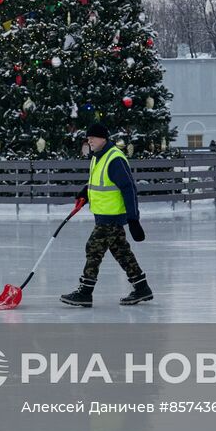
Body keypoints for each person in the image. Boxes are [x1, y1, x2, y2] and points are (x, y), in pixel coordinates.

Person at [61, 123, 152, 307]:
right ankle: (142, 288)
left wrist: (134, 219)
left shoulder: (114, 159)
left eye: (92, 137)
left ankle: (85, 292)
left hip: (111, 216)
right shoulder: (97, 157)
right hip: (103, 214)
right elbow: (100, 183)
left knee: (93, 249)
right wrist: (86, 192)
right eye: (88, 137)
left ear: (103, 138)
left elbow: (129, 189)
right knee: (121, 252)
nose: (89, 140)